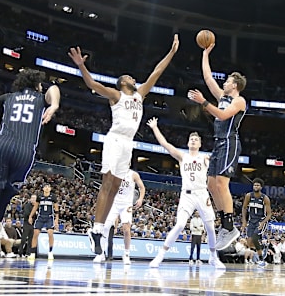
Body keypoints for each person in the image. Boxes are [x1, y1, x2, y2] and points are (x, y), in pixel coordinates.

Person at [68, 35, 178, 254]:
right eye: (128, 77)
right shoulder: (116, 95)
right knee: (107, 184)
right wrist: (81, 66)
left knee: (116, 187)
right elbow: (92, 84)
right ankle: (96, 229)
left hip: (128, 144)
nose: (133, 78)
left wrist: (172, 52)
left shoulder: (140, 95)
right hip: (115, 139)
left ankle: (98, 230)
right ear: (122, 83)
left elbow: (156, 72)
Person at [0, 69, 60, 225]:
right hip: (25, 151)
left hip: (2, 145)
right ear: (37, 85)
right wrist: (54, 105)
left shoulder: (9, 98)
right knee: (6, 194)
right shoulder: (40, 98)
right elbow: (54, 89)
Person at [187, 43, 246, 250]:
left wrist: (203, 102)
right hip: (218, 142)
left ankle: (230, 226)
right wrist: (205, 54)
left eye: (228, 80)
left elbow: (221, 115)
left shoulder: (239, 101)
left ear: (235, 85)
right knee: (211, 185)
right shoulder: (223, 97)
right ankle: (225, 226)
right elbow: (208, 77)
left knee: (221, 184)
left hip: (230, 142)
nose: (224, 82)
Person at [146, 117, 225, 269]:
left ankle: (214, 257)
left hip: (202, 193)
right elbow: (165, 144)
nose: (193, 141)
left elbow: (217, 164)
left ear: (200, 143)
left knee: (210, 228)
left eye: (196, 139)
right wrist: (155, 127)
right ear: (188, 143)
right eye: (191, 139)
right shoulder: (183, 156)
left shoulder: (205, 158)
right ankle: (160, 256)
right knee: (180, 224)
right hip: (187, 195)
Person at [93, 170, 145, 265]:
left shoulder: (133, 174)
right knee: (105, 227)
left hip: (126, 205)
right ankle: (101, 253)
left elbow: (142, 187)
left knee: (126, 229)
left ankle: (126, 254)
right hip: (114, 203)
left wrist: (140, 199)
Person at [241, 178, 272, 266]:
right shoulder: (248, 196)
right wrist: (244, 221)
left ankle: (261, 259)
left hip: (261, 221)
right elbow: (244, 208)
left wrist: (262, 223)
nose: (256, 186)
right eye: (254, 185)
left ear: (261, 187)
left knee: (255, 238)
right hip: (251, 221)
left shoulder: (265, 198)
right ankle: (263, 247)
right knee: (249, 243)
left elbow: (269, 214)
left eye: (258, 185)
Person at [27, 183, 59, 260]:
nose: (47, 188)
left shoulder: (53, 197)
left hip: (49, 217)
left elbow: (56, 209)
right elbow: (35, 207)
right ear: (43, 189)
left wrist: (56, 219)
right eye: (45, 187)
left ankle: (50, 252)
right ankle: (32, 253)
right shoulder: (40, 196)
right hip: (40, 217)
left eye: (48, 187)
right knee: (35, 234)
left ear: (50, 189)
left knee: (50, 233)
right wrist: (30, 216)